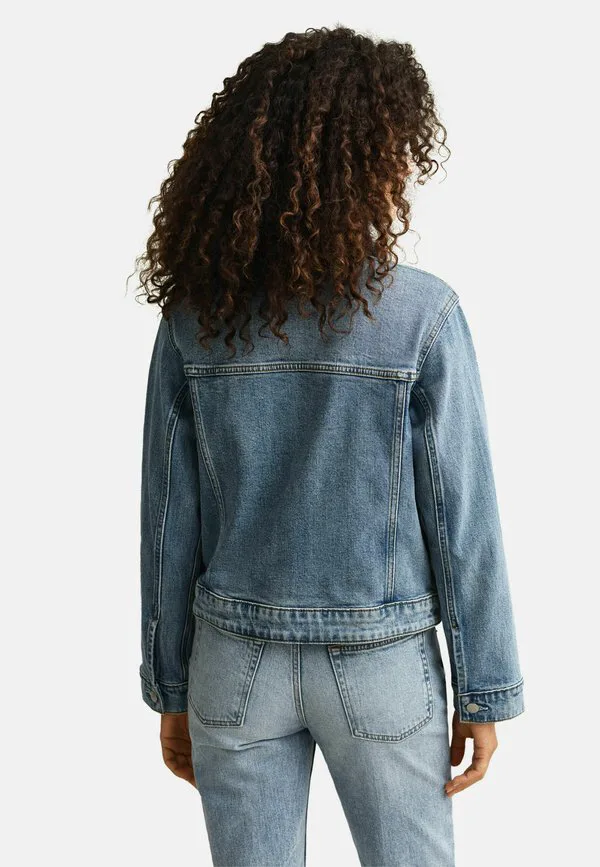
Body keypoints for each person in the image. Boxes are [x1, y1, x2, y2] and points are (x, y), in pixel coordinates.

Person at [134, 25, 524, 867]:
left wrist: (170, 684)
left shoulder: (195, 319)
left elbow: (167, 519)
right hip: (382, 664)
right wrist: (485, 686)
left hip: (233, 665)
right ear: (375, 160)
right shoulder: (422, 315)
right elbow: (461, 516)